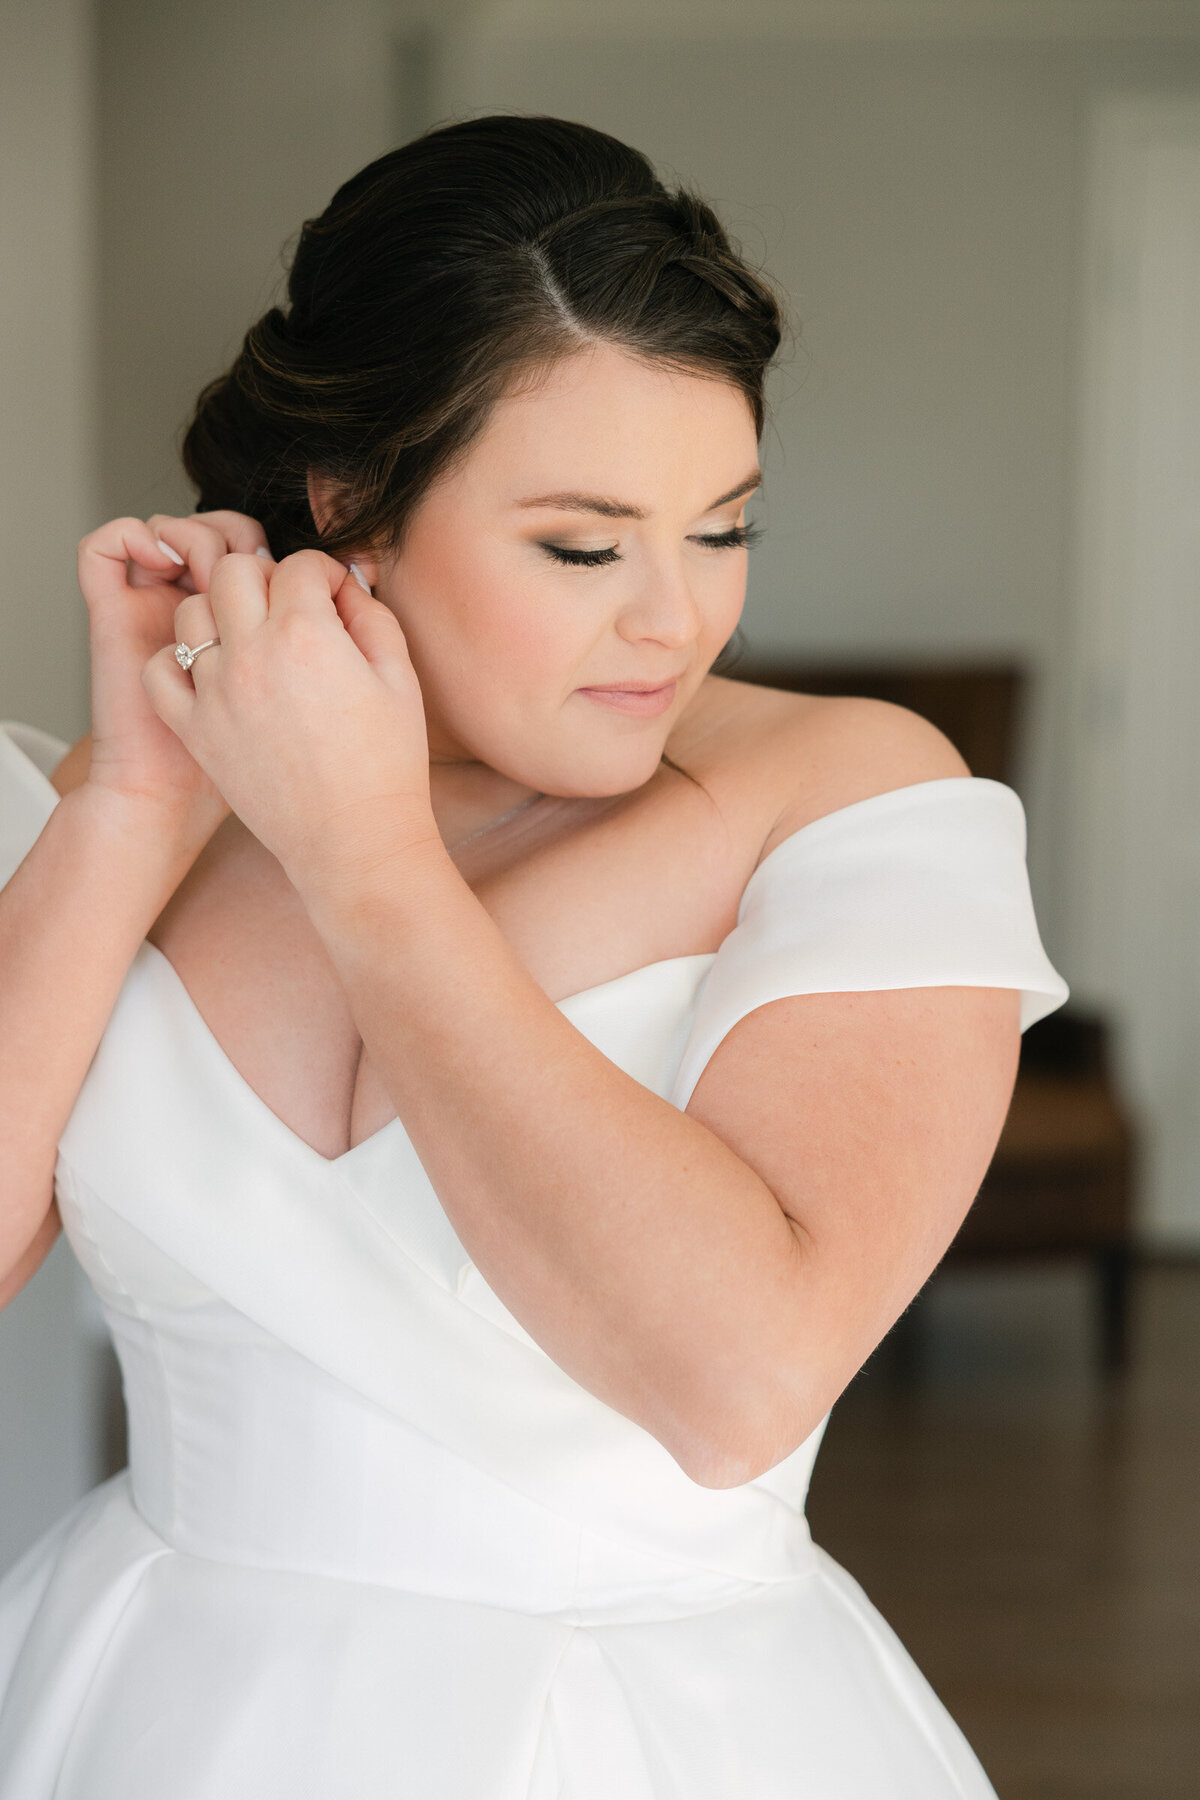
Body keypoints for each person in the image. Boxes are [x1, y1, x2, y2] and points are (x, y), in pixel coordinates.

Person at [0, 113, 1068, 1797]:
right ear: (354, 506)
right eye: (584, 546)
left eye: (723, 530)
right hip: (146, 1704)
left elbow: (733, 1388)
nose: (677, 619)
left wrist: (368, 861)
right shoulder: (133, 801)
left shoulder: (856, 804)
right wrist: (130, 803)